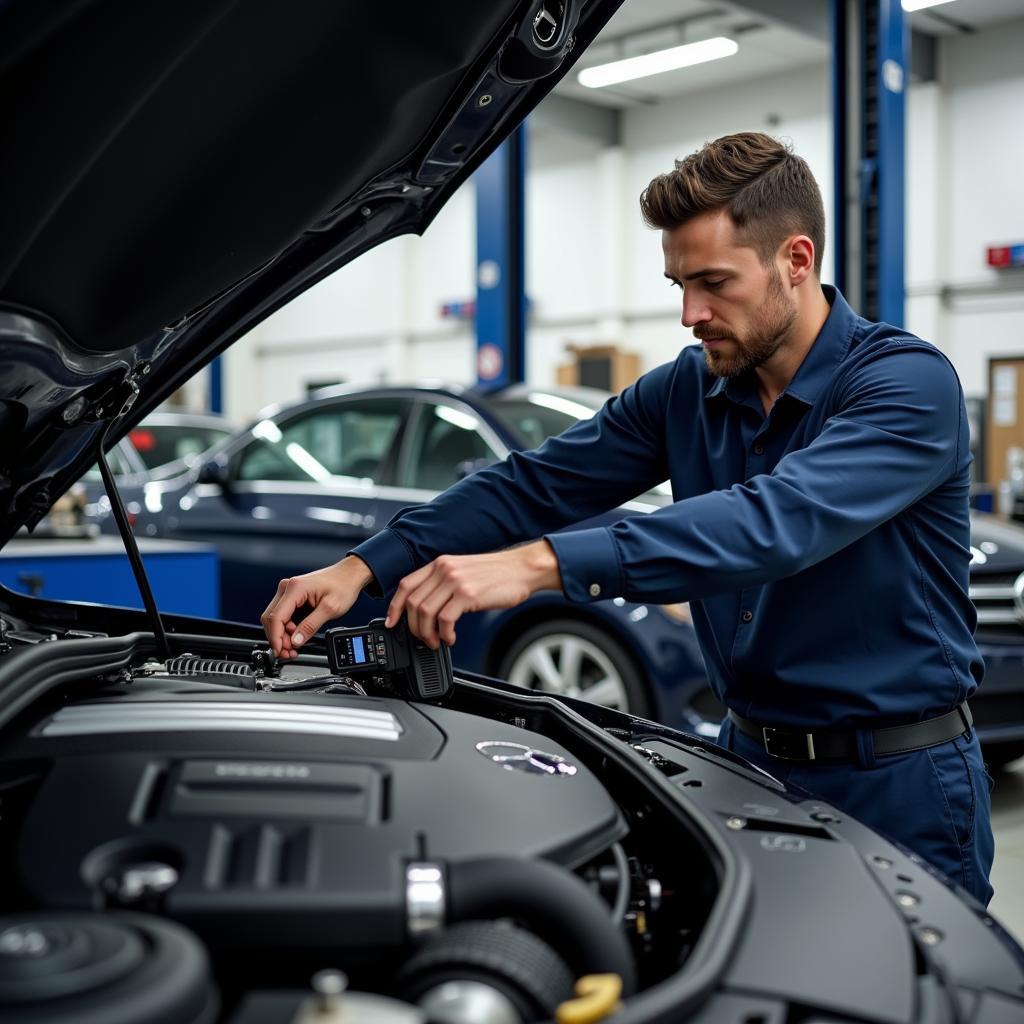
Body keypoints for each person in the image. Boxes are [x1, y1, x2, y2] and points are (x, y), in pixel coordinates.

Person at [262, 132, 994, 905]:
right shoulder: (690, 390)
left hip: (898, 785)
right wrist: (366, 564)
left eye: (713, 283)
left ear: (797, 260)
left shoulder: (906, 386)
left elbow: (775, 521)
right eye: (679, 283)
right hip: (749, 765)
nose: (690, 313)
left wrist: (535, 565)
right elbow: (535, 483)